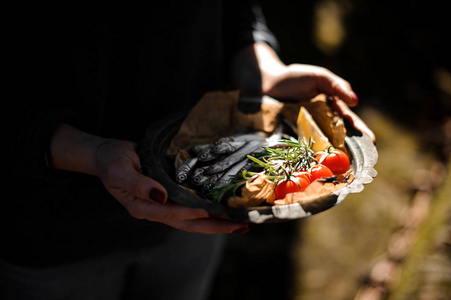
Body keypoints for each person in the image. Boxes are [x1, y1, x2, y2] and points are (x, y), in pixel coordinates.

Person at [1, 1, 374, 299]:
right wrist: (86, 152)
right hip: (54, 234)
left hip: (194, 210)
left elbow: (233, 11)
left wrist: (260, 64)